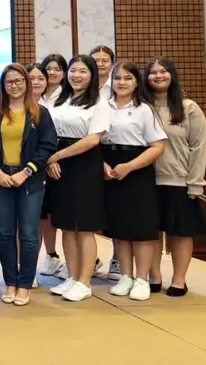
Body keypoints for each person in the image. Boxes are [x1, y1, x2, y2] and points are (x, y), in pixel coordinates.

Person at [0, 64, 57, 306]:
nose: (14, 86)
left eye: (18, 81)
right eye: (9, 82)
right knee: (5, 233)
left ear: (26, 82)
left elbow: (47, 145)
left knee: (29, 233)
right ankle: (10, 282)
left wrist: (26, 171)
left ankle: (24, 284)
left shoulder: (39, 113)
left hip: (30, 179)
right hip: (1, 178)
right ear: (3, 85)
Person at [45, 55, 109, 303]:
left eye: (83, 71)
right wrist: (51, 160)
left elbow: (93, 139)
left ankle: (84, 281)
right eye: (73, 70)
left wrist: (57, 156)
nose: (76, 75)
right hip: (57, 164)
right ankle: (72, 276)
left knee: (84, 227)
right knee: (66, 225)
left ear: (92, 75)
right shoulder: (59, 99)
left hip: (84, 164)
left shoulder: (98, 103)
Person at [104, 61, 167, 301]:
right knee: (119, 226)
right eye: (117, 78)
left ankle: (142, 279)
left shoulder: (144, 110)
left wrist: (129, 166)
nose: (121, 82)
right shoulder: (103, 107)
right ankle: (126, 276)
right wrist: (103, 165)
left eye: (127, 78)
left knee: (141, 228)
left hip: (136, 169)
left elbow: (158, 147)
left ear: (136, 82)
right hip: (110, 169)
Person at [145, 57, 206, 297]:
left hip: (179, 181)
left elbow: (199, 147)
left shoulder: (188, 107)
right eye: (153, 72)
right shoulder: (142, 107)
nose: (158, 76)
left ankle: (179, 280)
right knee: (150, 232)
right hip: (146, 181)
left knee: (180, 233)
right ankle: (154, 276)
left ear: (172, 75)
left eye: (163, 71)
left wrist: (195, 183)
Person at [38, 53, 69, 279]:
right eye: (48, 68)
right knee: (42, 214)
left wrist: (54, 158)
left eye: (57, 69)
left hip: (63, 159)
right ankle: (51, 255)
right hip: (38, 161)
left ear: (64, 73)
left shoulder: (69, 97)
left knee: (64, 212)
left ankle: (78, 261)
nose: (52, 72)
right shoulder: (33, 97)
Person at [90, 44, 120, 279]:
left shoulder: (117, 87)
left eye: (105, 60)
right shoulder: (82, 87)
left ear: (112, 63)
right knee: (88, 211)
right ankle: (90, 259)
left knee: (117, 210)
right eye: (96, 60)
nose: (100, 63)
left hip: (115, 151)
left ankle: (118, 260)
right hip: (89, 152)